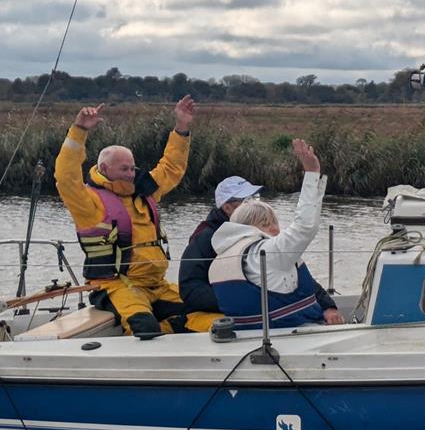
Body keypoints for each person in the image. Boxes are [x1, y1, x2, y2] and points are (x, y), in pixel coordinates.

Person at [54, 96, 195, 336]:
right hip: (116, 285)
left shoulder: (144, 191)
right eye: (124, 169)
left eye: (132, 168)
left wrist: (181, 128)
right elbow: (66, 178)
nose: (131, 174)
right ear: (105, 169)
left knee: (202, 308)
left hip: (157, 285)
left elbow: (171, 168)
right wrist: (79, 131)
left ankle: (172, 342)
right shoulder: (89, 203)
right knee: (145, 327)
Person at [208, 139, 345, 329]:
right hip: (293, 335)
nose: (274, 229)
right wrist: (312, 174)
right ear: (247, 227)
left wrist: (327, 307)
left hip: (251, 336)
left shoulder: (226, 254)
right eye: (265, 224)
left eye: (274, 222)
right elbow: (305, 227)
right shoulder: (265, 252)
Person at [178, 176, 264, 331]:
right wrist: (236, 301)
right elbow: (190, 289)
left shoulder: (260, 231)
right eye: (246, 201)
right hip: (208, 313)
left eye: (255, 198)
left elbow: (288, 266)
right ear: (227, 207)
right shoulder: (204, 238)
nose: (254, 205)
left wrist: (323, 303)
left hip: (252, 306)